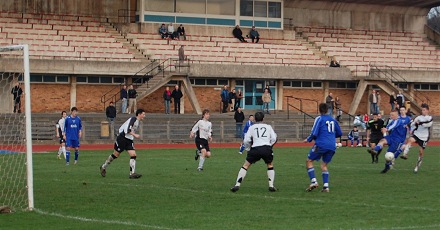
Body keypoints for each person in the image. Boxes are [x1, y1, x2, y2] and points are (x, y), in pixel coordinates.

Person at [230, 112, 277, 193]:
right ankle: (271, 185)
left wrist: (248, 149)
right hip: (266, 148)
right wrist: (270, 145)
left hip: (255, 148)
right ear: (263, 119)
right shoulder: (268, 127)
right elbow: (274, 138)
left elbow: (246, 140)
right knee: (270, 165)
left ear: (255, 119)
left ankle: (237, 184)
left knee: (246, 165)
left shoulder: (252, 127)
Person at [304, 103, 342, 193]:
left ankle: (313, 181)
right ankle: (326, 186)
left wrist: (308, 139)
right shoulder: (333, 120)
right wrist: (331, 136)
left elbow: (314, 133)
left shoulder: (319, 119)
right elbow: (339, 133)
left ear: (319, 110)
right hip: (332, 146)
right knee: (324, 165)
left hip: (321, 144)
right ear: (328, 110)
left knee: (309, 161)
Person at [100, 109, 146, 179]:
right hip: (122, 138)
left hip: (129, 140)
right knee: (116, 155)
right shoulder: (133, 119)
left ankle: (132, 173)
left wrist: (132, 136)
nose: (144, 116)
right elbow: (127, 130)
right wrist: (135, 135)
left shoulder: (137, 121)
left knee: (133, 155)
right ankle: (104, 166)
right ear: (139, 114)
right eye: (143, 114)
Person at [367, 109, 408, 174]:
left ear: (397, 115)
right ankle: (375, 150)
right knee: (382, 141)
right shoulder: (392, 121)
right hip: (391, 137)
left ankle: (387, 167)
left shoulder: (399, 121)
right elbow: (388, 127)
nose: (391, 116)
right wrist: (384, 131)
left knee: (388, 155)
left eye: (392, 115)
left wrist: (386, 129)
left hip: (397, 140)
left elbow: (393, 126)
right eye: (390, 115)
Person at [398, 103, 432, 173]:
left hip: (424, 137)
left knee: (420, 152)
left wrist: (419, 123)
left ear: (427, 110)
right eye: (422, 110)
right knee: (410, 140)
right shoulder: (418, 117)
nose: (423, 111)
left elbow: (428, 124)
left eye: (424, 110)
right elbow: (413, 123)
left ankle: (417, 166)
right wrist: (409, 126)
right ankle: (405, 154)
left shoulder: (430, 118)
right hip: (417, 134)